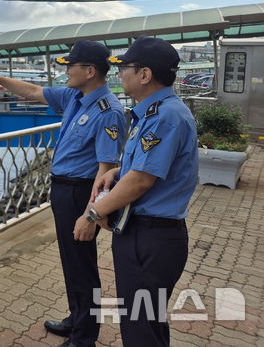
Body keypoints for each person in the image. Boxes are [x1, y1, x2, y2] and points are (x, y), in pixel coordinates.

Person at [0, 40, 126, 347]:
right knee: (72, 261)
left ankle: (84, 337)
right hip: (62, 189)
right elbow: (31, 91)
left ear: (90, 70)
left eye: (70, 66)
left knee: (82, 265)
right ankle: (77, 317)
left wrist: (91, 213)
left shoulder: (109, 112)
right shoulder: (74, 96)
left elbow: (105, 170)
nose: (65, 71)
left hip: (81, 192)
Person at [75, 36, 198, 347]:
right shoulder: (157, 111)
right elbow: (145, 168)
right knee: (147, 323)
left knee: (141, 329)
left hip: (150, 238)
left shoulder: (164, 116)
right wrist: (117, 171)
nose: (120, 75)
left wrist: (92, 214)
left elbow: (142, 181)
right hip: (148, 235)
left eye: (124, 68)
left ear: (144, 75)